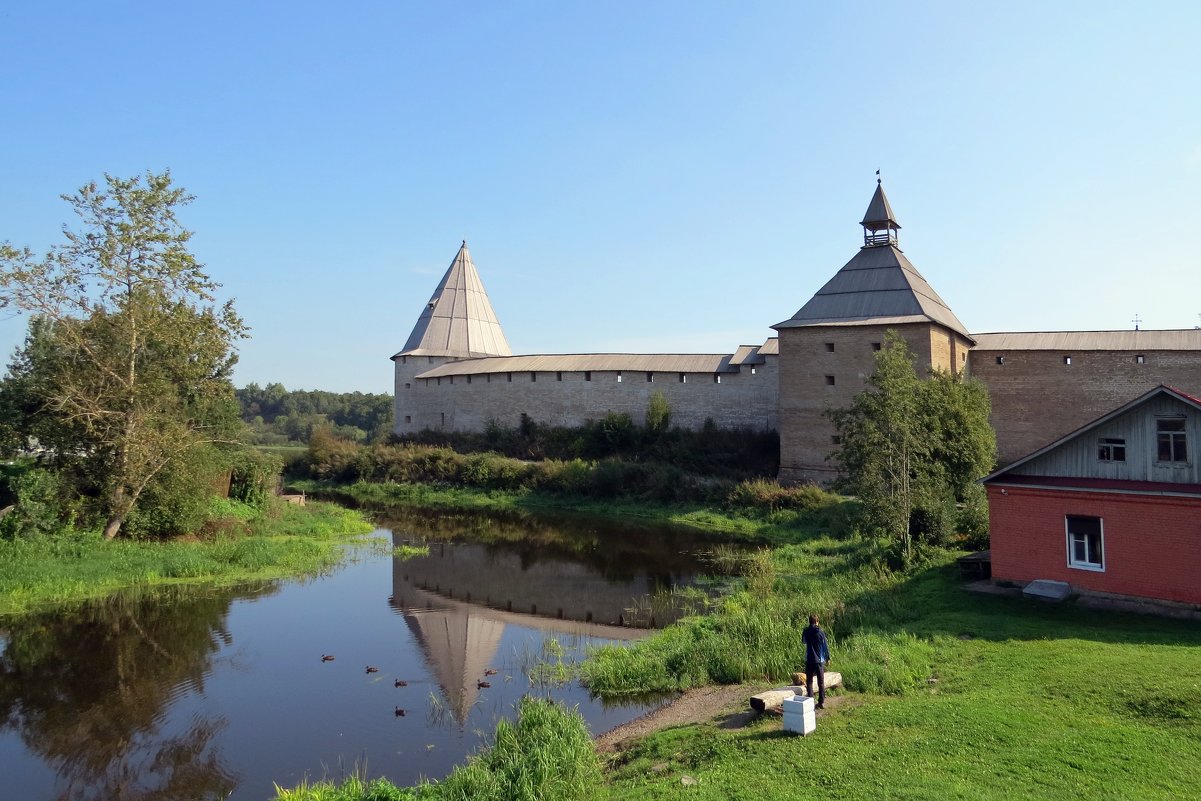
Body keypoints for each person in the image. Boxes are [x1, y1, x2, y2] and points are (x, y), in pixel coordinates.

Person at [801, 614, 830, 708]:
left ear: (809, 622)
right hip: (819, 661)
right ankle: (821, 702)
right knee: (821, 682)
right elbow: (825, 646)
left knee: (809, 682)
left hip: (809, 659)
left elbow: (804, 641)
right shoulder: (821, 632)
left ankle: (810, 702)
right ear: (817, 622)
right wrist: (828, 658)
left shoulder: (805, 631)